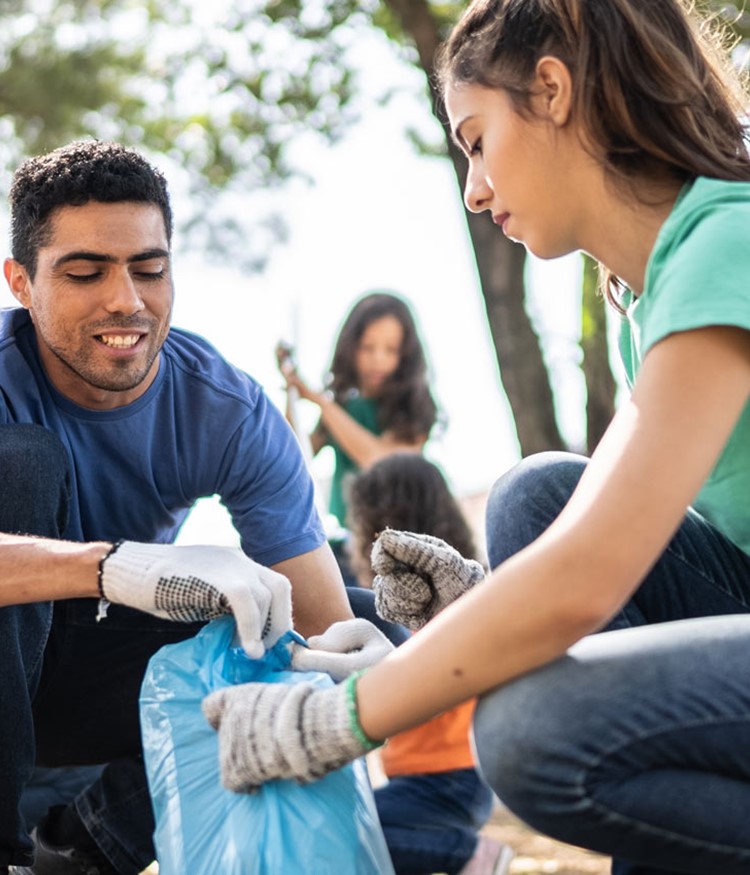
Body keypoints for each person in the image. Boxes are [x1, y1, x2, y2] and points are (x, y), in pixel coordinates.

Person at [202, 1, 750, 874]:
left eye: (477, 139)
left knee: (537, 730)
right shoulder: (644, 294)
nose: (475, 187)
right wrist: (451, 624)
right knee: (536, 494)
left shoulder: (729, 241)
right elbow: (592, 536)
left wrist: (339, 720)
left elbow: (588, 577)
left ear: (553, 90)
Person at [0, 139, 399, 875]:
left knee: (337, 616)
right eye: (86, 271)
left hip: (100, 690)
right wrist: (114, 567)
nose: (127, 299)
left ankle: (78, 851)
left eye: (149, 269)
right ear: (21, 282)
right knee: (21, 461)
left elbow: (316, 621)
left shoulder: (225, 410)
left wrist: (375, 662)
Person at [347, 453, 514, 875]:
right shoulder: (448, 591)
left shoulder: (439, 597)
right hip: (436, 779)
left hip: (448, 780)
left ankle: (464, 853)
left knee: (349, 831)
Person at [276, 291, 439, 530]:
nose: (378, 359)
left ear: (406, 353)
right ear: (351, 347)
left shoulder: (415, 405)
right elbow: (295, 455)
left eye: (391, 350)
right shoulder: (342, 407)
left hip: (405, 535)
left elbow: (381, 462)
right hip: (349, 538)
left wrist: (320, 401)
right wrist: (292, 388)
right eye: (367, 347)